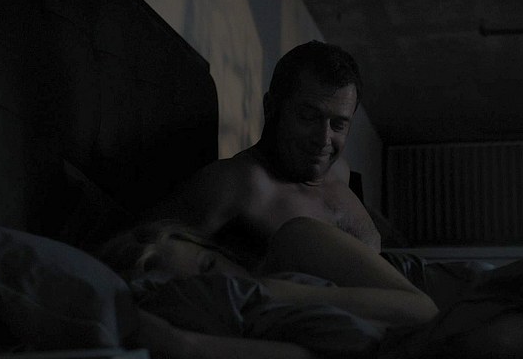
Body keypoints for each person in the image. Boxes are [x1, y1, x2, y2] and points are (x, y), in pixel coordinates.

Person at [98, 216, 523, 359]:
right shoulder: (252, 325)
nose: (221, 284)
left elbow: (419, 312)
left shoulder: (295, 244)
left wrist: (272, 290)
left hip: (518, 291)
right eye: (201, 287)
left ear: (217, 249)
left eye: (209, 267)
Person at [141, 40, 381, 270]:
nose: (324, 139)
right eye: (308, 116)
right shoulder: (236, 183)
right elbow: (137, 249)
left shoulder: (339, 170)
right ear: (270, 107)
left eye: (338, 124)